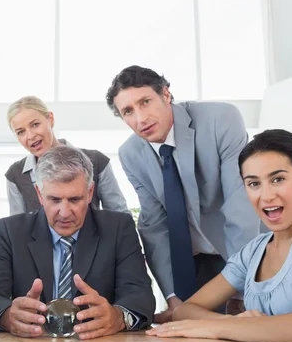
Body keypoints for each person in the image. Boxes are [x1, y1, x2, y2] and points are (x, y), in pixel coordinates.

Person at [147, 129, 292, 342]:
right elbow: (185, 310)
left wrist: (221, 327)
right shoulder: (253, 252)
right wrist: (232, 323)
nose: (266, 196)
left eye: (278, 179)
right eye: (254, 183)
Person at [106, 65, 261, 322]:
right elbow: (154, 226)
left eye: (145, 102)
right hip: (193, 264)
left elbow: (240, 203)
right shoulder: (130, 154)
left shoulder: (220, 119)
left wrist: (242, 288)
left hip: (245, 250)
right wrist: (171, 295)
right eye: (128, 111)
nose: (140, 118)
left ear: (166, 95)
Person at [0, 145, 154, 339]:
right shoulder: (10, 232)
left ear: (90, 192)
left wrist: (117, 318)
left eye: (75, 199)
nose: (65, 213)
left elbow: (140, 297)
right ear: (39, 195)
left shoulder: (118, 228)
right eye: (54, 199)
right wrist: (9, 318)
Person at [5, 95, 128, 215]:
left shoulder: (97, 161)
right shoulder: (15, 175)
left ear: (50, 119)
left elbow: (120, 217)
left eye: (35, 125)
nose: (30, 136)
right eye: (21, 132)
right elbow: (17, 227)